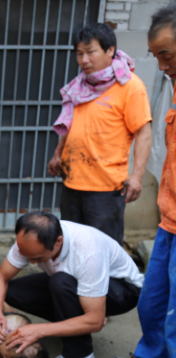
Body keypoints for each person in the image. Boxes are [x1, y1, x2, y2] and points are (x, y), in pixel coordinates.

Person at [110, 4, 176, 358]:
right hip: (170, 217)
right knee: (152, 301)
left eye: (166, 54)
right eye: (155, 55)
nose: (161, 64)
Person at [0, 211, 143, 358]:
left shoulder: (88, 252)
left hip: (122, 290)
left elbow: (96, 322)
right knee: (12, 291)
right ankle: (78, 318)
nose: (31, 262)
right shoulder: (30, 239)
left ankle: (81, 355)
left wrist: (39, 330)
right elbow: (1, 278)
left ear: (58, 242)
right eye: (27, 256)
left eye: (38, 257)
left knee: (60, 283)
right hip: (76, 282)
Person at [47, 23, 152, 245]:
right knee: (73, 247)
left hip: (106, 190)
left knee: (103, 252)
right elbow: (70, 125)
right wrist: (58, 154)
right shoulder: (79, 86)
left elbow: (143, 133)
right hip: (72, 183)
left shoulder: (130, 87)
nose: (84, 60)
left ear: (110, 50)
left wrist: (137, 177)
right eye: (79, 53)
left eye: (90, 52)